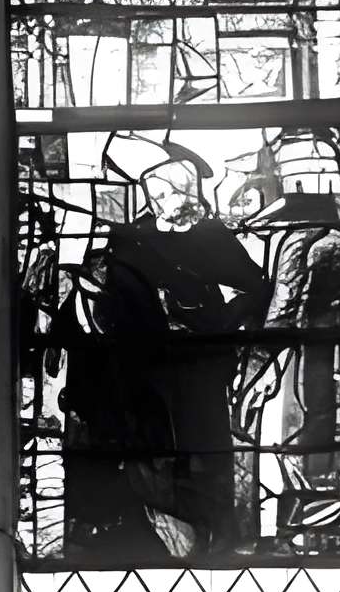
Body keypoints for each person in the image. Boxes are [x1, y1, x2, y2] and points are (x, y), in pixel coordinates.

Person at [84, 136, 271, 557]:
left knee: (205, 443)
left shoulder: (213, 236)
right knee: (151, 445)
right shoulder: (131, 240)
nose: (170, 200)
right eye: (160, 193)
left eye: (178, 190)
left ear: (195, 190)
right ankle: (156, 528)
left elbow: (255, 286)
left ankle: (215, 531)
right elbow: (115, 295)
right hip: (145, 362)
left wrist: (217, 322)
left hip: (203, 361)